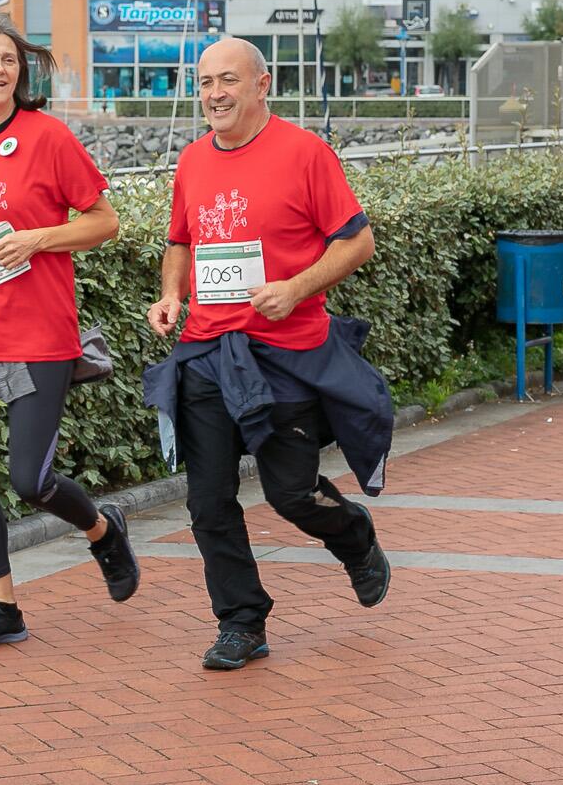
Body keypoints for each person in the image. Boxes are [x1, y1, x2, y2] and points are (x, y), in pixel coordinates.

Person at [142, 38, 394, 671]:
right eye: (204, 83)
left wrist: (296, 287)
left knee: (291, 494)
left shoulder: (305, 153)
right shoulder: (193, 160)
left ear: (262, 84)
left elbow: (357, 243)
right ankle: (241, 620)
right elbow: (179, 242)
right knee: (208, 502)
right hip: (207, 352)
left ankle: (354, 535)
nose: (214, 94)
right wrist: (171, 295)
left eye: (227, 80)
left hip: (285, 354)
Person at [0, 9, 138, 653]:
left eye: (9, 59)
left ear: (21, 71)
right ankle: (2, 607)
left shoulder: (48, 138)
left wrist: (39, 238)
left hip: (36, 330)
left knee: (30, 482)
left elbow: (103, 221)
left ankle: (101, 528)